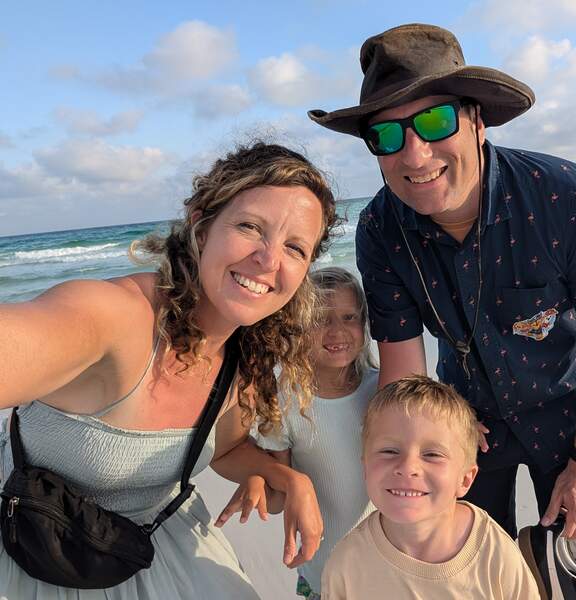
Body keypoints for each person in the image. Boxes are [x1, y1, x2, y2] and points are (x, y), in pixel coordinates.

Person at [309, 23, 576, 563]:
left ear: (476, 120)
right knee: (469, 566)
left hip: (571, 415)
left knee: (575, 569)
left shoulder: (571, 198)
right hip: (463, 422)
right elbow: (403, 367)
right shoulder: (380, 229)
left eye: (434, 121)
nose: (415, 155)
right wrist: (408, 462)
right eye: (387, 135)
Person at [0, 141, 338, 597]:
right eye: (250, 227)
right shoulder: (117, 318)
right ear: (201, 226)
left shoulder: (244, 355)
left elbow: (225, 449)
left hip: (149, 543)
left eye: (295, 248)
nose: (269, 260)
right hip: (29, 543)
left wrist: (288, 479)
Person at [216, 266, 378, 600]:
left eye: (349, 317)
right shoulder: (286, 401)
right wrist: (259, 481)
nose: (337, 331)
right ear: (297, 329)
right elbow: (278, 501)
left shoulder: (382, 389)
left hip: (388, 569)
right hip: (325, 573)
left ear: (364, 324)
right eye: (320, 319)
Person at [322, 375, 539, 599]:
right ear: (365, 468)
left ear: (465, 480)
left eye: (432, 454)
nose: (408, 467)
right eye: (389, 451)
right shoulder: (347, 564)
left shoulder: (495, 556)